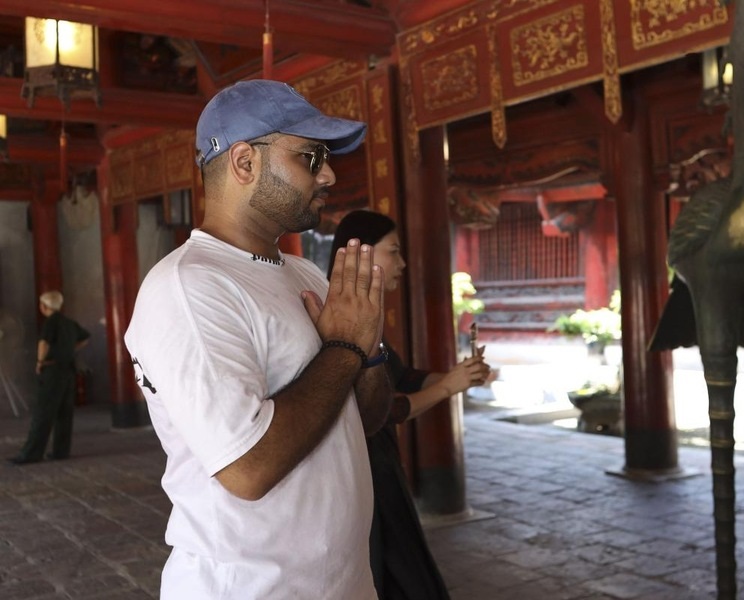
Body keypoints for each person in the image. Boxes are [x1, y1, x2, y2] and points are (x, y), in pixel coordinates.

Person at [123, 80, 393, 600]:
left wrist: (370, 348)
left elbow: (370, 419)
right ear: (244, 163)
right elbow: (248, 468)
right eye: (311, 157)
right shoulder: (188, 287)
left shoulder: (306, 275)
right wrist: (343, 349)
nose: (330, 175)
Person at [327, 209, 492, 600]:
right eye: (394, 252)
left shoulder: (370, 313)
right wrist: (448, 387)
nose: (401, 263)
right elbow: (381, 409)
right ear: (362, 254)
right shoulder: (336, 315)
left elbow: (403, 378)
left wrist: (458, 376)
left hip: (384, 468)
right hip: (359, 472)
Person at [8, 290, 90, 465]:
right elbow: (85, 338)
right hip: (68, 370)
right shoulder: (69, 323)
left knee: (43, 412)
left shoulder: (50, 322)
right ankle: (61, 451)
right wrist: (69, 349)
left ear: (44, 306)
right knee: (64, 412)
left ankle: (31, 453)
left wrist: (39, 361)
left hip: (52, 370)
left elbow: (43, 343)